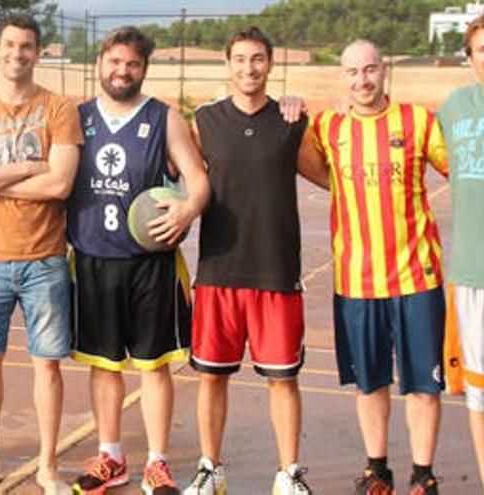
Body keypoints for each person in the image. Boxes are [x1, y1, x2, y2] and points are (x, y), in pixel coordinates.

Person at [65, 26, 209, 495]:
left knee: (153, 366)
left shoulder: (164, 118)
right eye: (115, 61)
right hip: (92, 257)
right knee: (104, 364)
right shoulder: (77, 117)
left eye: (132, 64)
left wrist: (188, 208)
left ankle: (157, 462)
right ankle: (111, 457)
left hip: (150, 263)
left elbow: (198, 179)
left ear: (143, 68)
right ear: (100, 62)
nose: (122, 71)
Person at [0, 13, 83, 495]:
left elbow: (62, 183)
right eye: (9, 45)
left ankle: (48, 466)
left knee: (47, 363)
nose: (17, 54)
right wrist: (28, 167)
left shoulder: (59, 108)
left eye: (27, 46)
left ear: (37, 53)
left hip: (45, 256)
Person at [305, 39, 448, 494]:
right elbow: (291, 154)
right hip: (356, 280)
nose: (362, 80)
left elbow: (465, 170)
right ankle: (377, 469)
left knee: (424, 384)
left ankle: (423, 474)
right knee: (370, 383)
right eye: (352, 72)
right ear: (342, 77)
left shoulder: (418, 121)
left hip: (417, 277)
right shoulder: (327, 127)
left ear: (383, 70)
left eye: (369, 70)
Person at [184, 26, 323, 495]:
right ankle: (210, 468)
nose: (249, 68)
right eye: (240, 59)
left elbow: (330, 177)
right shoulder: (205, 120)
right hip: (219, 269)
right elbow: (171, 172)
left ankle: (289, 472)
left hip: (276, 270)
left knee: (283, 381)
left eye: (258, 59)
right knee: (211, 379)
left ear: (270, 64)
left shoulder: (290, 122)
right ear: (228, 64)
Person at [437, 13, 484, 492]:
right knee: (479, 397)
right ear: (469, 59)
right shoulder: (455, 108)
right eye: (482, 49)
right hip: (472, 274)